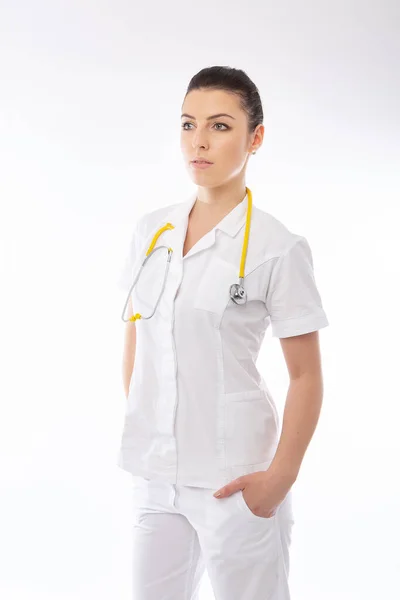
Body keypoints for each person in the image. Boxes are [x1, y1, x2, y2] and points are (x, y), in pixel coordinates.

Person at [117, 66, 329, 600]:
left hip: (235, 478)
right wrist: (148, 420)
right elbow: (137, 335)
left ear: (255, 137)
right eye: (188, 125)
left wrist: (279, 478)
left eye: (219, 126)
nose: (199, 142)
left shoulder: (278, 246)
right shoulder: (153, 230)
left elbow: (306, 376)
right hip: (158, 477)